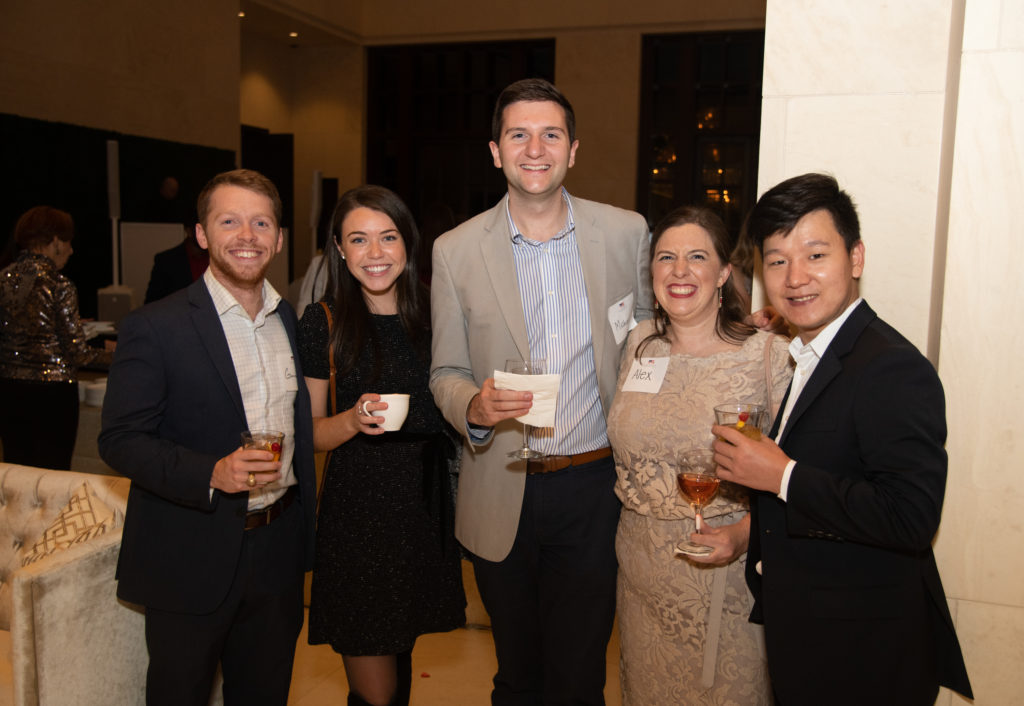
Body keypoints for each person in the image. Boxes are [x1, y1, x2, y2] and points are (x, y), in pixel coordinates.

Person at [430, 78, 652, 705]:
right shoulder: (455, 252)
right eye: (518, 135)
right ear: (495, 151)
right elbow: (443, 371)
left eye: (550, 134)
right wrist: (471, 406)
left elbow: (652, 339)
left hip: (593, 487)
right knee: (517, 676)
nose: (535, 148)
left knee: (580, 676)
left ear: (573, 149)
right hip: (500, 482)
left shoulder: (626, 233)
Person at [712, 173, 972, 705]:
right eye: (777, 260)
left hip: (866, 651)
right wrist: (748, 534)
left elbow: (910, 518)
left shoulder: (892, 367)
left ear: (855, 259)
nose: (795, 276)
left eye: (815, 254)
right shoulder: (812, 352)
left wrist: (781, 476)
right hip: (812, 635)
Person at [98, 169, 316, 705]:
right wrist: (211, 473)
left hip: (276, 550)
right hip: (189, 550)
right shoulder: (156, 325)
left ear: (280, 238)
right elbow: (120, 438)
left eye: (261, 222)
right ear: (202, 235)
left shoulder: (287, 319)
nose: (247, 235)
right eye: (229, 221)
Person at [607, 206, 791, 705]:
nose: (680, 271)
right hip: (641, 573)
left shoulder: (767, 354)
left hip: (723, 572)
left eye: (696, 257)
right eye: (666, 257)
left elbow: (795, 476)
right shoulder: (641, 344)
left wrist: (746, 534)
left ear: (724, 273)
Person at [297, 185, 465, 706]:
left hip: (423, 512)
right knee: (377, 693)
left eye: (387, 237)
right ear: (340, 251)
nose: (375, 254)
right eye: (359, 240)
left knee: (402, 666)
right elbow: (309, 435)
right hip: (358, 519)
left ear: (407, 243)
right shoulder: (322, 323)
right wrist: (351, 419)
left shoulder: (436, 320)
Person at [0, 206, 111, 469]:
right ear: (56, 242)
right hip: (52, 396)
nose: (71, 250)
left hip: (8, 390)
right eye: (69, 242)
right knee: (52, 475)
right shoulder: (58, 285)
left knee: (16, 473)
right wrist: (123, 356)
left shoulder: (2, 279)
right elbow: (78, 353)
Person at [144, 222, 209, 303]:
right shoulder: (166, 261)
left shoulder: (217, 257)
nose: (204, 234)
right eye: (199, 230)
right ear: (189, 231)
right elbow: (151, 303)